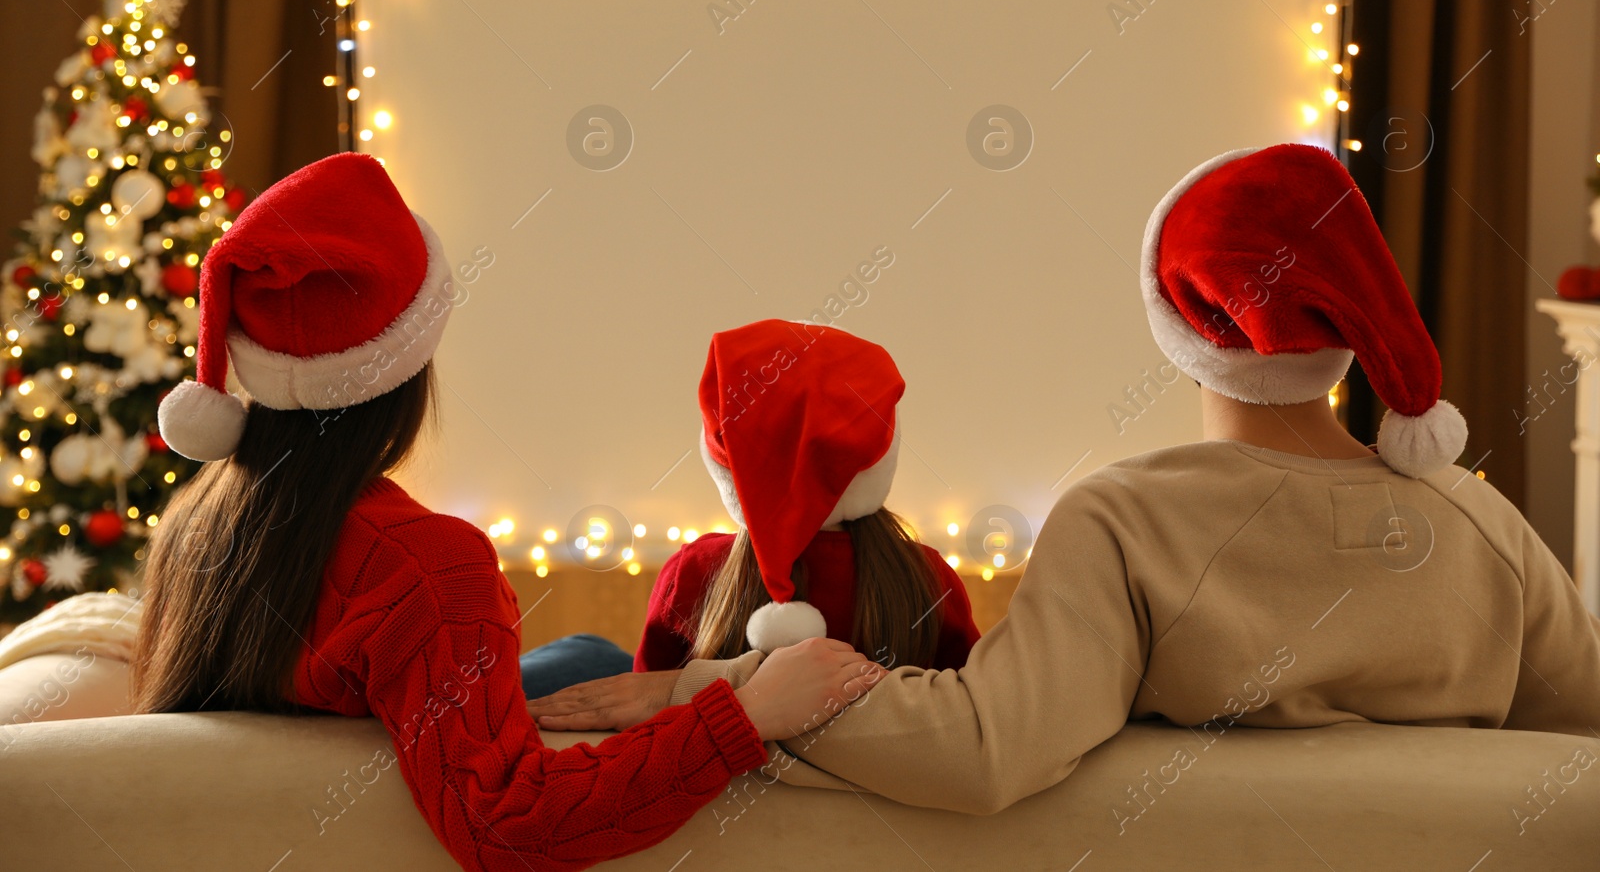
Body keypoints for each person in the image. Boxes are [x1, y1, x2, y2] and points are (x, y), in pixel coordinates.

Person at [529, 143, 1600, 815]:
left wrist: (707, 688)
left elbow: (986, 750)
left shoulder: (1126, 519)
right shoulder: (1482, 519)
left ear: (1182, 324)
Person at [129, 152, 882, 870]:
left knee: (588, 654)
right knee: (598, 663)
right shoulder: (424, 563)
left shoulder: (198, 518)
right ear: (405, 369)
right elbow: (509, 824)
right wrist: (746, 714)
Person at [633, 319, 980, 673]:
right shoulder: (927, 578)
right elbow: (970, 706)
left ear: (725, 462)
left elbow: (647, 702)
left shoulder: (693, 571)